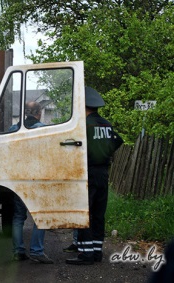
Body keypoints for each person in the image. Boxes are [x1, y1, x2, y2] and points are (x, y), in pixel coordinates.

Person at [66, 86, 124, 265]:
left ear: (85, 107)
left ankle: (86, 255)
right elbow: (118, 140)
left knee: (85, 214)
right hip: (103, 173)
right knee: (99, 214)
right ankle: (97, 252)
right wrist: (105, 151)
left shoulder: (85, 125)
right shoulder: (106, 124)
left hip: (88, 173)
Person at [12, 101, 53, 264]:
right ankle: (36, 251)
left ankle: (17, 251)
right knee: (40, 215)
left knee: (18, 217)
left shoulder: (13, 130)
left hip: (18, 179)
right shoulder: (44, 130)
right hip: (38, 179)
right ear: (39, 113)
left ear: (24, 113)